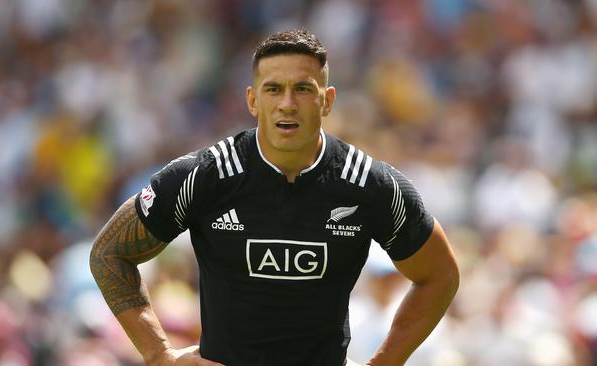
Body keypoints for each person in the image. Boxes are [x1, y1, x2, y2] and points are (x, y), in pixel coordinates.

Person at [89, 30, 460, 366]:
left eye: (302, 89)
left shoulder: (368, 185)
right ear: (253, 100)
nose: (287, 103)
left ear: (327, 101)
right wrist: (158, 354)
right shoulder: (206, 176)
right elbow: (109, 252)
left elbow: (439, 275)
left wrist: (384, 362)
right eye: (273, 89)